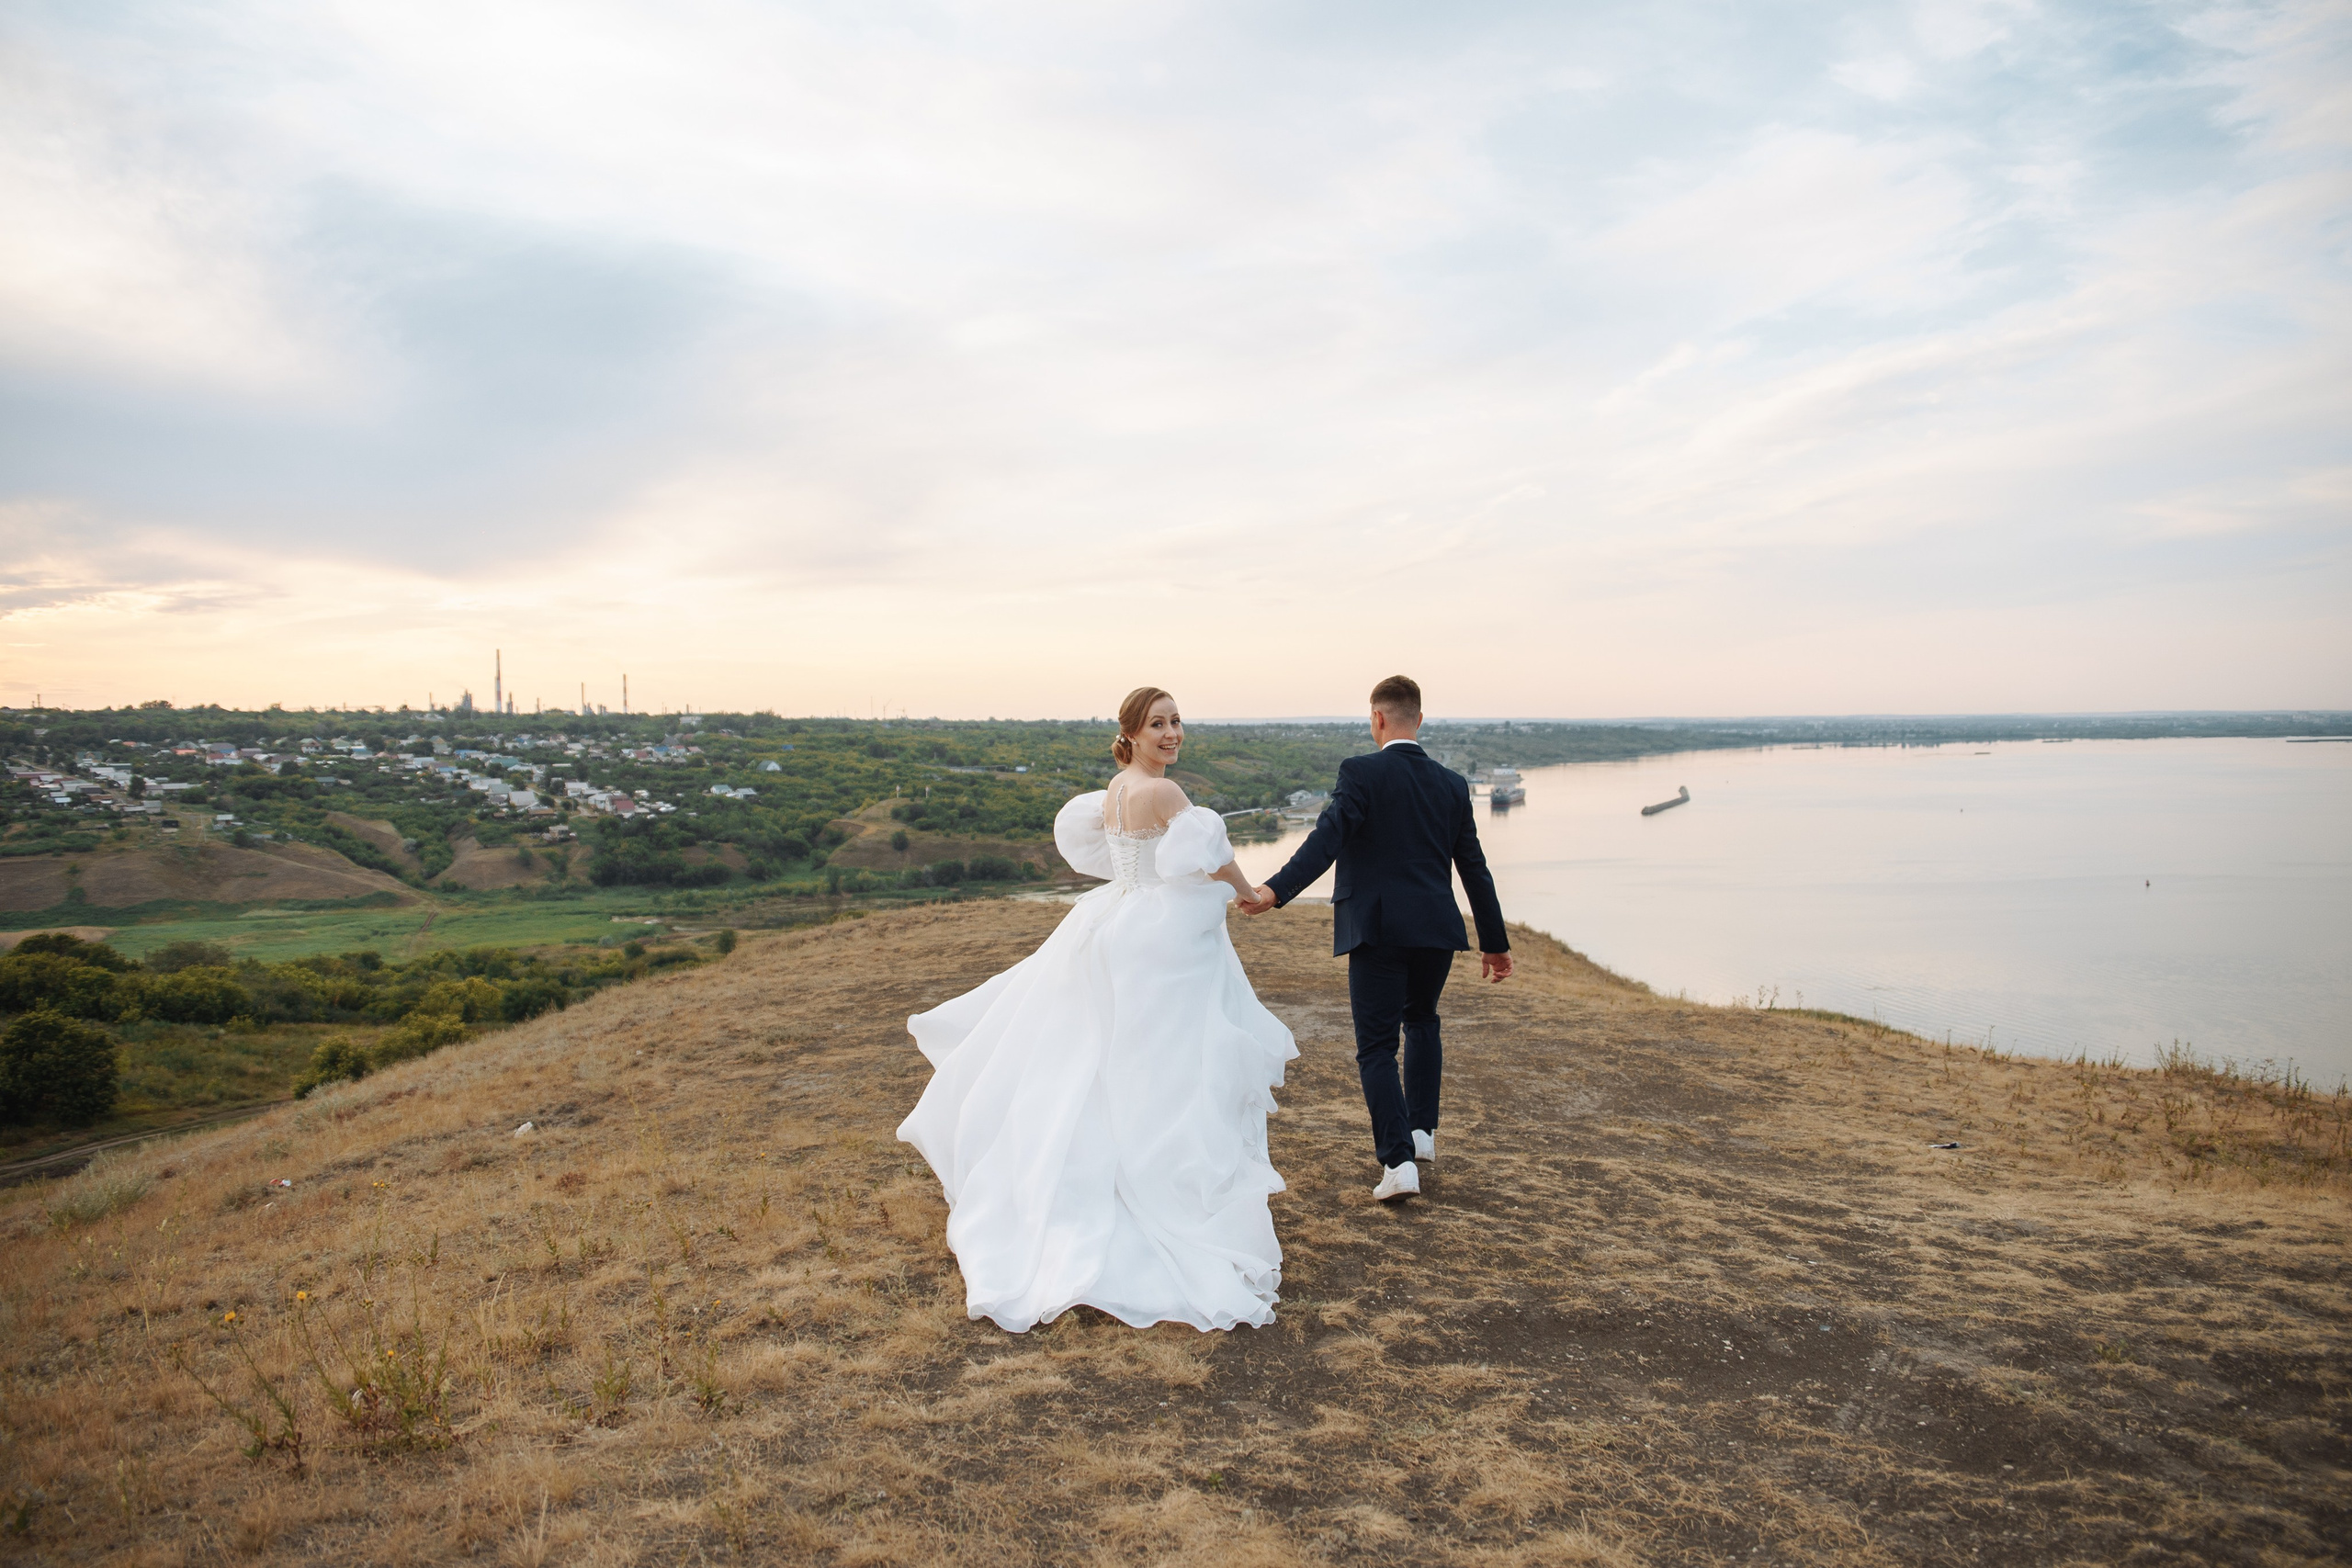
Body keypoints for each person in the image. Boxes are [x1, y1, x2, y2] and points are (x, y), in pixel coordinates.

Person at [898, 686, 1297, 1333]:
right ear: (1132, 732)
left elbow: (1116, 857)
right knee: (1172, 1070)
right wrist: (1251, 892)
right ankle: (1165, 1194)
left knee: (1112, 1063)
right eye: (1158, 724)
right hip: (1163, 938)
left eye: (1177, 721)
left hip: (1118, 921)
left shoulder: (1114, 788)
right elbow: (1214, 858)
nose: (1172, 733)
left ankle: (1105, 1186)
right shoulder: (1164, 792)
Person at [1239, 675, 1510, 1203]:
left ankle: (1398, 1162)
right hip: (1435, 930)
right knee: (1423, 1021)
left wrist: (1275, 890)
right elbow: (1474, 869)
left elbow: (1327, 840)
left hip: (1378, 929)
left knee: (1378, 1047)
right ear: (1419, 719)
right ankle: (1421, 1134)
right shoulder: (1452, 785)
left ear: (1377, 719)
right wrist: (1494, 943)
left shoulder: (1360, 772)